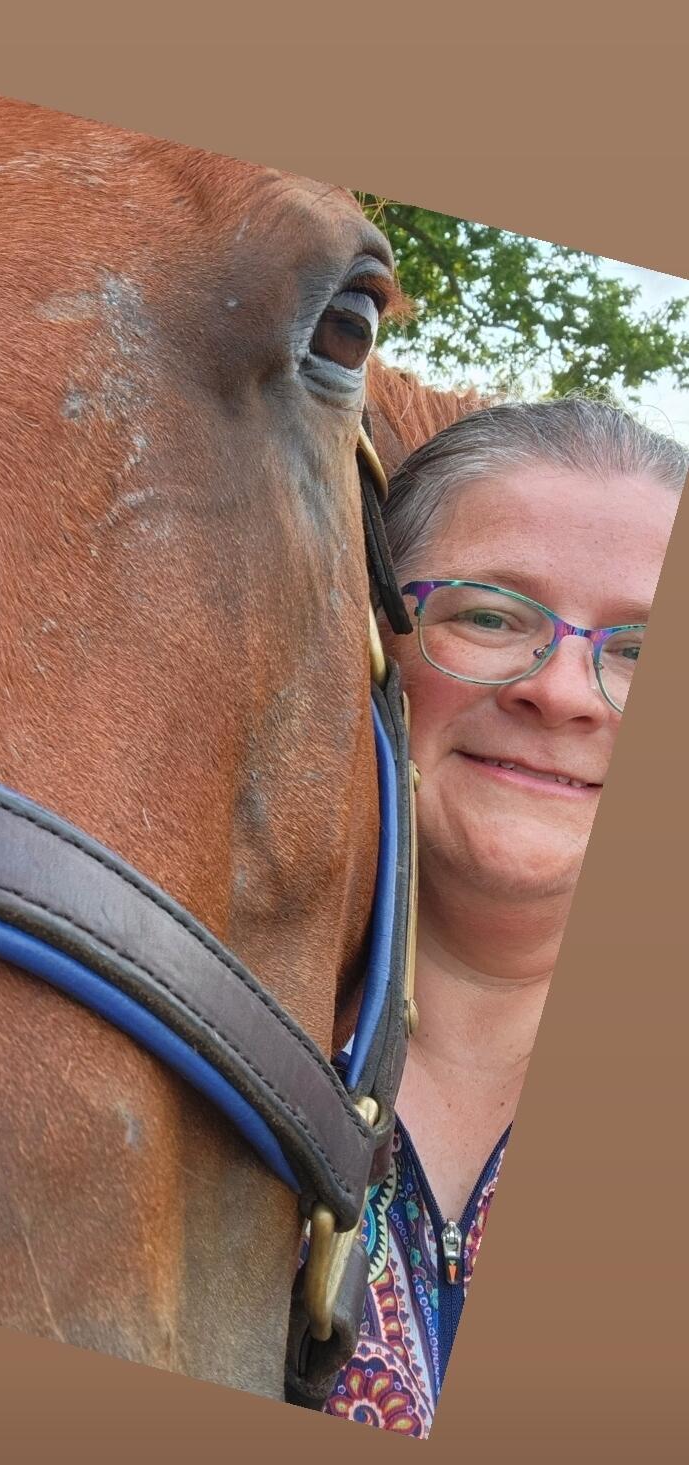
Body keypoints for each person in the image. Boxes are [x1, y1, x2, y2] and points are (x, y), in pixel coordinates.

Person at [324, 399, 686, 1436]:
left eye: (638, 647)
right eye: (488, 616)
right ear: (369, 636)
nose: (565, 692)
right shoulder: (154, 1059)